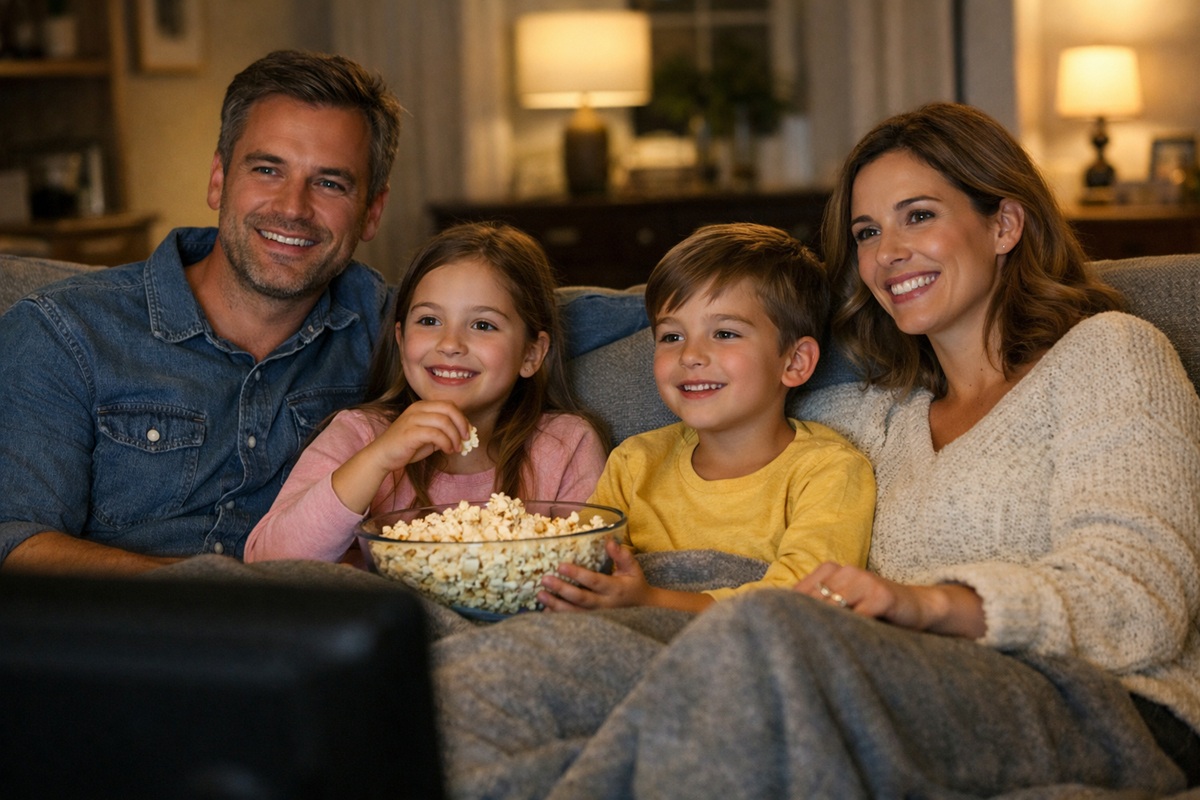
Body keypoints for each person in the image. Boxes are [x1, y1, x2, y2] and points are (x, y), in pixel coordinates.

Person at [431, 102, 1200, 797]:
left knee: (768, 631)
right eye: (867, 233)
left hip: (1102, 703)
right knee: (491, 677)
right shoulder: (866, 413)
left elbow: (1144, 597)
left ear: (1004, 224)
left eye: (918, 216)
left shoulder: (1109, 353)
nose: (889, 253)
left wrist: (927, 604)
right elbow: (702, 343)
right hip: (878, 680)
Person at [0, 50, 402, 575]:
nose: (292, 208)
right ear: (218, 179)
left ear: (372, 210)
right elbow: (16, 547)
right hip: (129, 639)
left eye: (330, 183)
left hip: (329, 639)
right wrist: (223, 599)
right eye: (266, 169)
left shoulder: (395, 330)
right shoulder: (63, 332)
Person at [537, 223, 874, 614]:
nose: (690, 355)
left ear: (794, 362)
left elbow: (802, 600)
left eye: (725, 333)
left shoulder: (829, 471)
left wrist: (652, 600)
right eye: (671, 337)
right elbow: (586, 563)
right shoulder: (634, 461)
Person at [243, 221, 609, 563]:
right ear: (401, 342)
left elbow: (589, 566)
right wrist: (378, 459)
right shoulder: (360, 435)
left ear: (531, 354)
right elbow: (268, 560)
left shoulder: (566, 445)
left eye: (483, 324)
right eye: (429, 321)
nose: (450, 344)